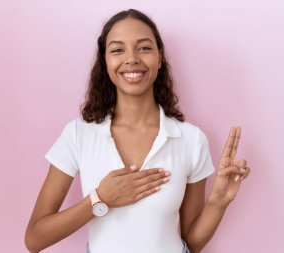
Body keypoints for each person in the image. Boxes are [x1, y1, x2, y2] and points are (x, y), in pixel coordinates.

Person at [24, 9, 250, 253]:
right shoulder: (78, 134)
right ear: (105, 61)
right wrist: (100, 199)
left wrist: (218, 201)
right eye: (117, 50)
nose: (131, 59)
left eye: (143, 48)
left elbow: (192, 242)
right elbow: (35, 239)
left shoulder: (191, 140)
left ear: (159, 57)